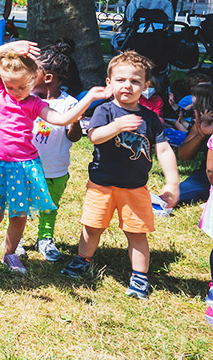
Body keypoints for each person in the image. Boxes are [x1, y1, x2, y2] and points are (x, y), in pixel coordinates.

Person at [0, 41, 107, 274]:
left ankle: (9, 254)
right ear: (2, 82)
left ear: (32, 80)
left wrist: (88, 98)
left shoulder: (35, 103)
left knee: (19, 217)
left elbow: (62, 119)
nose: (17, 92)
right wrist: (14, 46)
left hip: (24, 167)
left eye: (22, 87)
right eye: (12, 87)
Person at [61, 52, 180, 299]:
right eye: (121, 80)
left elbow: (164, 149)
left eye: (135, 81)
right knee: (92, 227)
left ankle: (139, 276)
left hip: (135, 187)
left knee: (137, 233)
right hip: (101, 184)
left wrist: (172, 182)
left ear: (146, 86)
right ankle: (83, 258)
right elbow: (94, 136)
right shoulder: (104, 111)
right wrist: (116, 127)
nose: (127, 85)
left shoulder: (150, 118)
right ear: (109, 83)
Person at [16, 40, 83, 262]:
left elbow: (74, 137)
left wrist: (75, 123)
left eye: (30, 72)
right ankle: (14, 240)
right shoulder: (25, 100)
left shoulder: (69, 104)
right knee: (19, 205)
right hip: (25, 167)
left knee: (49, 207)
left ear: (47, 78)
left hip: (55, 170)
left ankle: (44, 239)